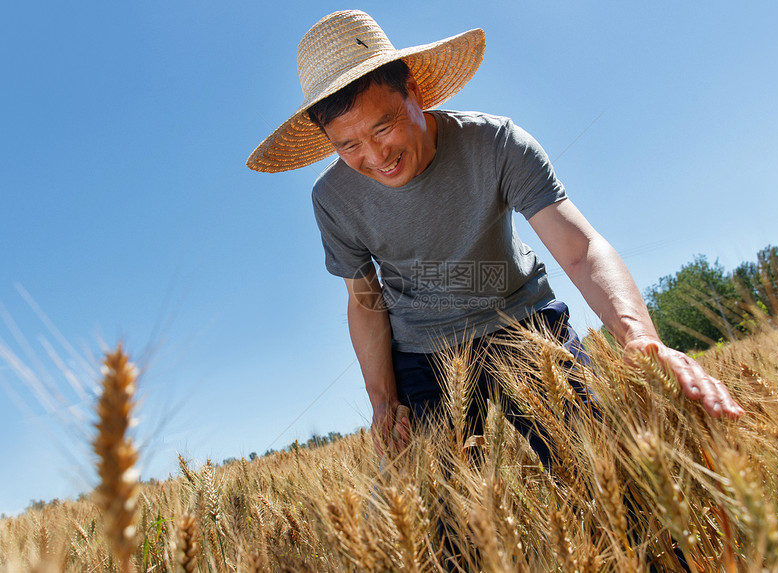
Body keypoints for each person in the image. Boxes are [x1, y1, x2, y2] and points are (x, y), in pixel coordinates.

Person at [246, 10, 744, 458]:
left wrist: (640, 339)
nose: (375, 158)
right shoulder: (331, 200)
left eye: (383, 127)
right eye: (348, 145)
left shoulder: (498, 142)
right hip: (422, 353)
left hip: (524, 320)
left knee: (608, 472)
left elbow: (580, 249)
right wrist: (384, 402)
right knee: (442, 533)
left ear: (414, 94)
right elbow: (364, 300)